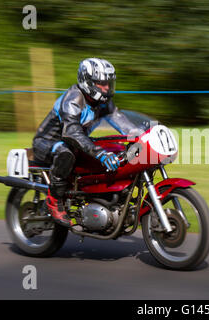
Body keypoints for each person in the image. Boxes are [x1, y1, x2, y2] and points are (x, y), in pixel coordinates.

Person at [32, 58, 137, 227]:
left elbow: (120, 121)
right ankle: (54, 199)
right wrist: (99, 153)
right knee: (65, 153)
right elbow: (71, 133)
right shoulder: (73, 99)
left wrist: (139, 136)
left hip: (74, 142)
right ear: (87, 81)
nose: (107, 87)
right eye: (101, 83)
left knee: (113, 149)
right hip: (48, 143)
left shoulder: (102, 102)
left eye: (108, 83)